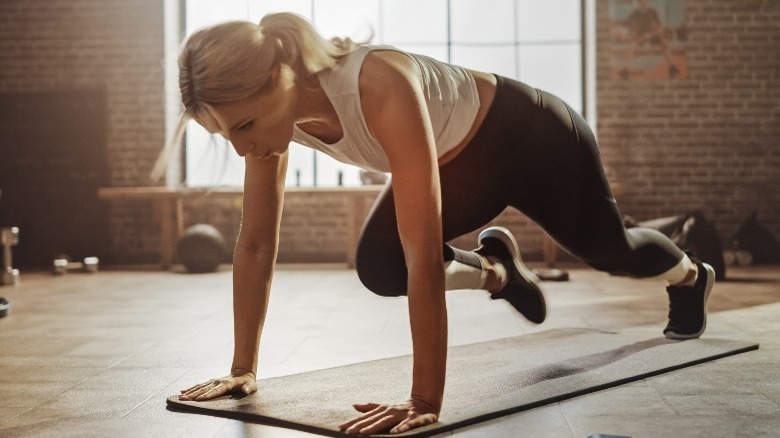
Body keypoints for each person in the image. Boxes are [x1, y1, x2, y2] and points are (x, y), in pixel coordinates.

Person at [172, 12, 714, 435]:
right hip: (461, 165)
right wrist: (242, 369)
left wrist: (424, 400)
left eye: (244, 125)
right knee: (380, 267)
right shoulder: (271, 124)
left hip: (534, 138)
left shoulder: (375, 81)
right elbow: (256, 242)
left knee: (611, 252)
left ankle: (692, 276)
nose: (243, 146)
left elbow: (424, 251)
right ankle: (498, 271)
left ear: (279, 75)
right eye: (225, 136)